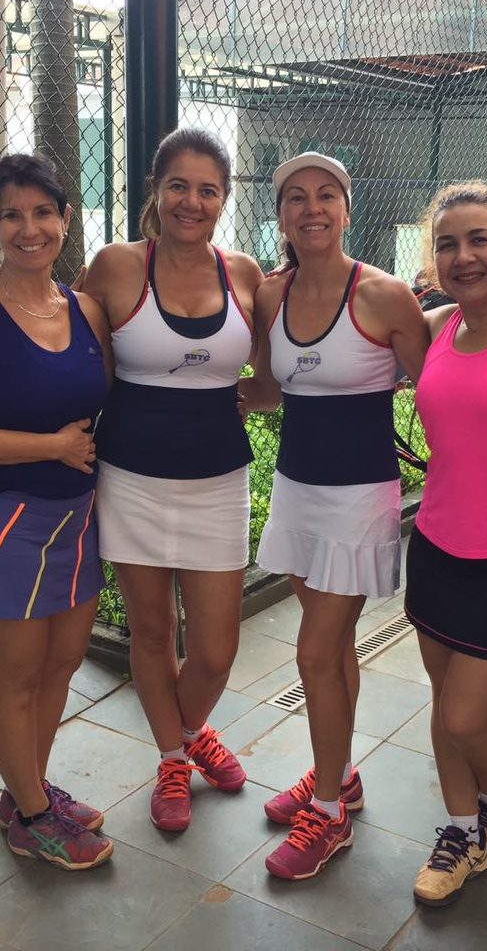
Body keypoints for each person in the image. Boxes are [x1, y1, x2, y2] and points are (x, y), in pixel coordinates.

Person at [242, 151, 428, 880]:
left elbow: (436, 389)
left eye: (326, 195)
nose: (311, 208)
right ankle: (340, 775)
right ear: (281, 214)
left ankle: (328, 813)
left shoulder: (383, 296)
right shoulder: (270, 294)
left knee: (316, 654)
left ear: (347, 210)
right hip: (296, 491)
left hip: (360, 499)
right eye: (295, 197)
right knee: (335, 646)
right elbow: (268, 390)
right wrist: (193, 400)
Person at [83, 127, 263, 833]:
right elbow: (78, 363)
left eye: (208, 189)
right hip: (131, 477)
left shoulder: (245, 274)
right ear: (155, 190)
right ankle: (172, 759)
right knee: (154, 633)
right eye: (179, 185)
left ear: (224, 199)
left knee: (215, 649)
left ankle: (188, 734)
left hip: (218, 480)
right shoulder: (115, 266)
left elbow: (273, 375)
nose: (193, 201)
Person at [0, 153, 114, 870]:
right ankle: (34, 819)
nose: (29, 228)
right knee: (16, 676)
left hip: (80, 514)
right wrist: (50, 446)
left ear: (66, 219)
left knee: (63, 662)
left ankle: (25, 790)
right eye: (10, 214)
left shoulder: (85, 309)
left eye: (43, 212)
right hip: (13, 519)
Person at [405, 181, 487, 906]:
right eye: (447, 244)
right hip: (436, 546)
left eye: (479, 240)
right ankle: (465, 832)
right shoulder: (437, 326)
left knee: (467, 717)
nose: (462, 256)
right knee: (446, 706)